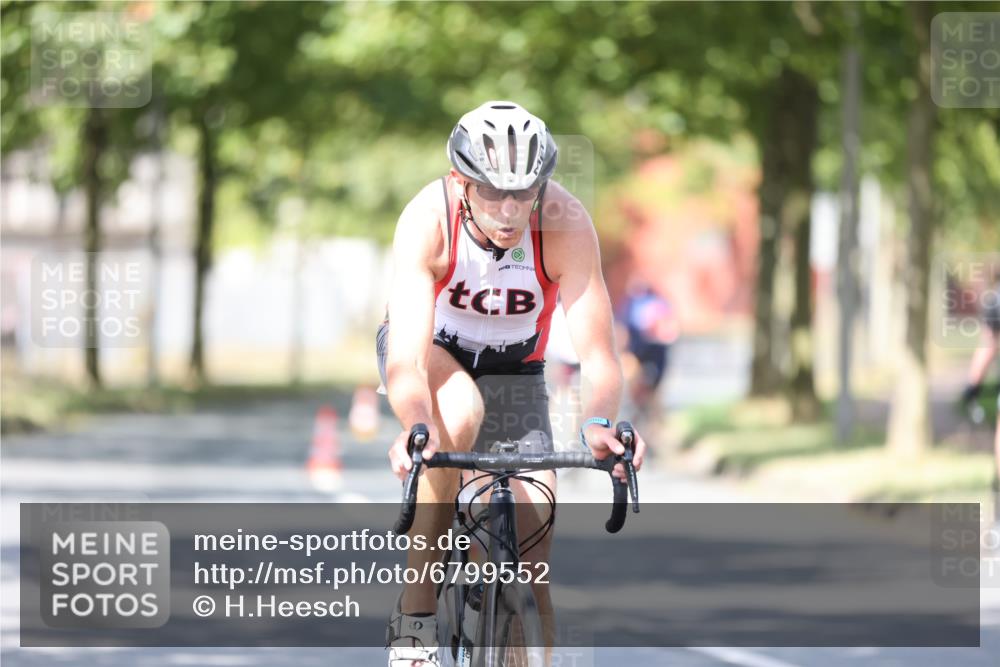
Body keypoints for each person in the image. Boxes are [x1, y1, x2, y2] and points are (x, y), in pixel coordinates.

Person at [376, 101, 646, 667]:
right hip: (434, 354)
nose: (509, 209)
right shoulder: (428, 220)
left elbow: (600, 357)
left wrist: (599, 424)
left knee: (533, 539)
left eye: (523, 193)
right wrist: (415, 428)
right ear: (461, 182)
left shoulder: (565, 225)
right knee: (460, 411)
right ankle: (416, 614)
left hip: (516, 367)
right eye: (492, 191)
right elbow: (405, 358)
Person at [618, 278, 679, 426]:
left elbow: (669, 328)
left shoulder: (647, 304)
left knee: (649, 389)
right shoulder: (636, 304)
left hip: (649, 347)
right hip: (642, 348)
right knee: (642, 386)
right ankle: (645, 418)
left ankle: (651, 421)